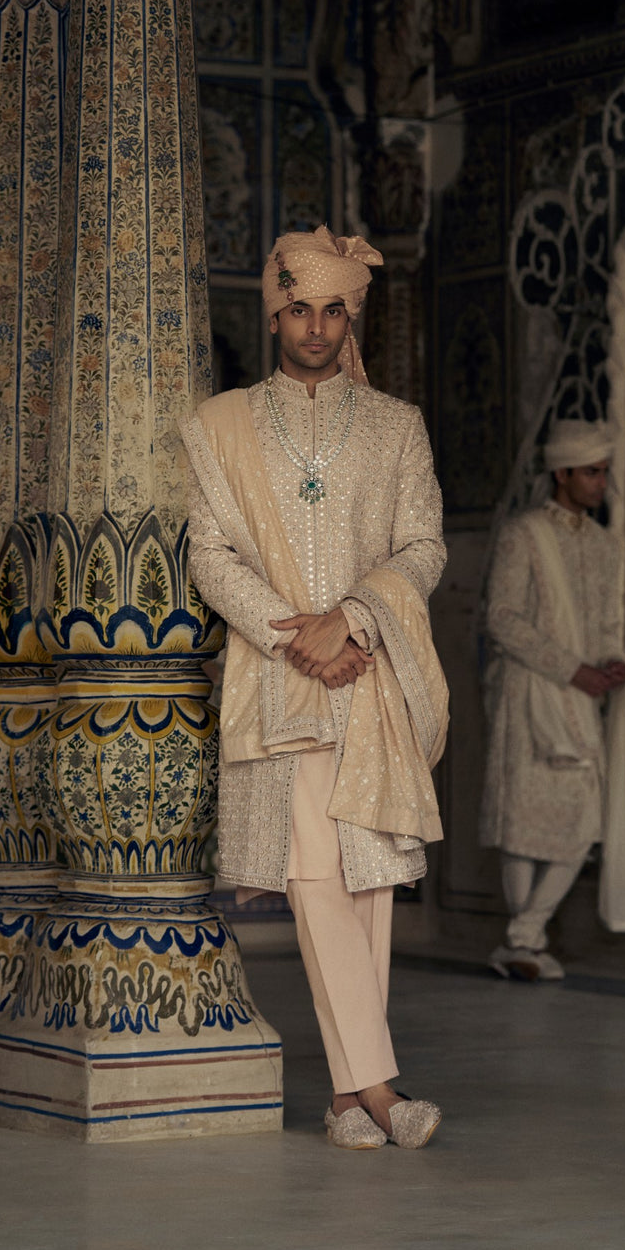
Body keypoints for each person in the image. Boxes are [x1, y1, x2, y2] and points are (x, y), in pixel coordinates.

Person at [181, 225, 448, 1150]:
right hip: (280, 680)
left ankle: (345, 1101)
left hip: (369, 674)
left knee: (368, 879)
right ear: (274, 315)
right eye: (300, 309)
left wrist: (356, 619)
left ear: (351, 318)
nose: (317, 328)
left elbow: (424, 546)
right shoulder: (220, 425)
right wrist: (297, 637)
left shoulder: (396, 425)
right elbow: (209, 553)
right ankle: (380, 1089)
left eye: (335, 310)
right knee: (314, 875)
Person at [479, 420, 625, 982]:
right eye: (593, 472)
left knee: (582, 820)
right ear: (562, 474)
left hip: (581, 697)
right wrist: (571, 669)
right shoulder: (524, 534)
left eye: (604, 472)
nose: (602, 483)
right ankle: (525, 941)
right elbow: (501, 618)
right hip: (529, 692)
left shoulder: (604, 545)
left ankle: (522, 937)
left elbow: (607, 622)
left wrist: (612, 660)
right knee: (522, 819)